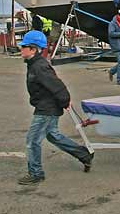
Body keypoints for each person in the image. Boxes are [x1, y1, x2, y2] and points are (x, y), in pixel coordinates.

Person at [17, 30, 93, 185]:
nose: (21, 48)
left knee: (32, 141)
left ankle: (36, 173)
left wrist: (65, 100)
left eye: (24, 46)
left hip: (47, 109)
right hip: (46, 106)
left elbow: (57, 85)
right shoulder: (34, 64)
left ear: (33, 49)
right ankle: (84, 155)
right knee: (53, 135)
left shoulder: (39, 66)